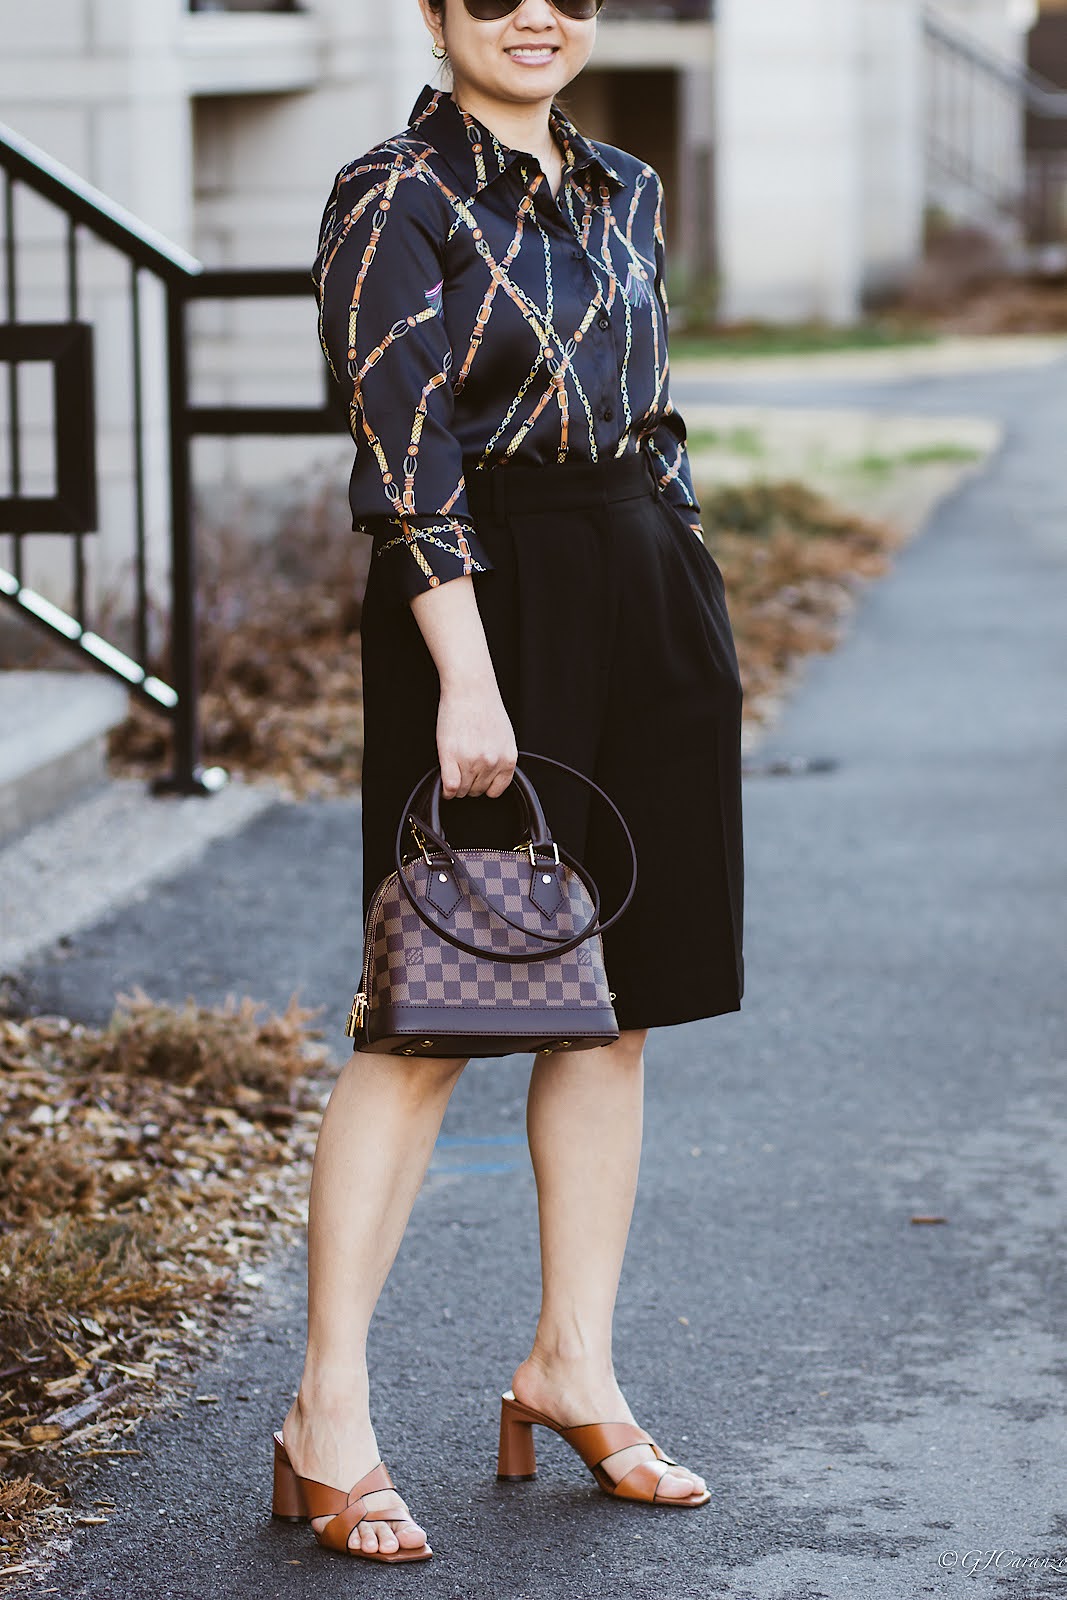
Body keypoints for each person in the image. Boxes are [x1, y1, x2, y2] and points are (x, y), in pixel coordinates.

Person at [270, 0, 744, 1564]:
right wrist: (468, 679)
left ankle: (570, 1366)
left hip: (645, 595)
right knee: (430, 1018)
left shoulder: (624, 187)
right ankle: (325, 1414)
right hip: (481, 612)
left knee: (616, 1010)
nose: (537, 13)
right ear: (436, 10)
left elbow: (650, 415)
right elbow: (405, 462)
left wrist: (690, 597)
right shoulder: (389, 194)